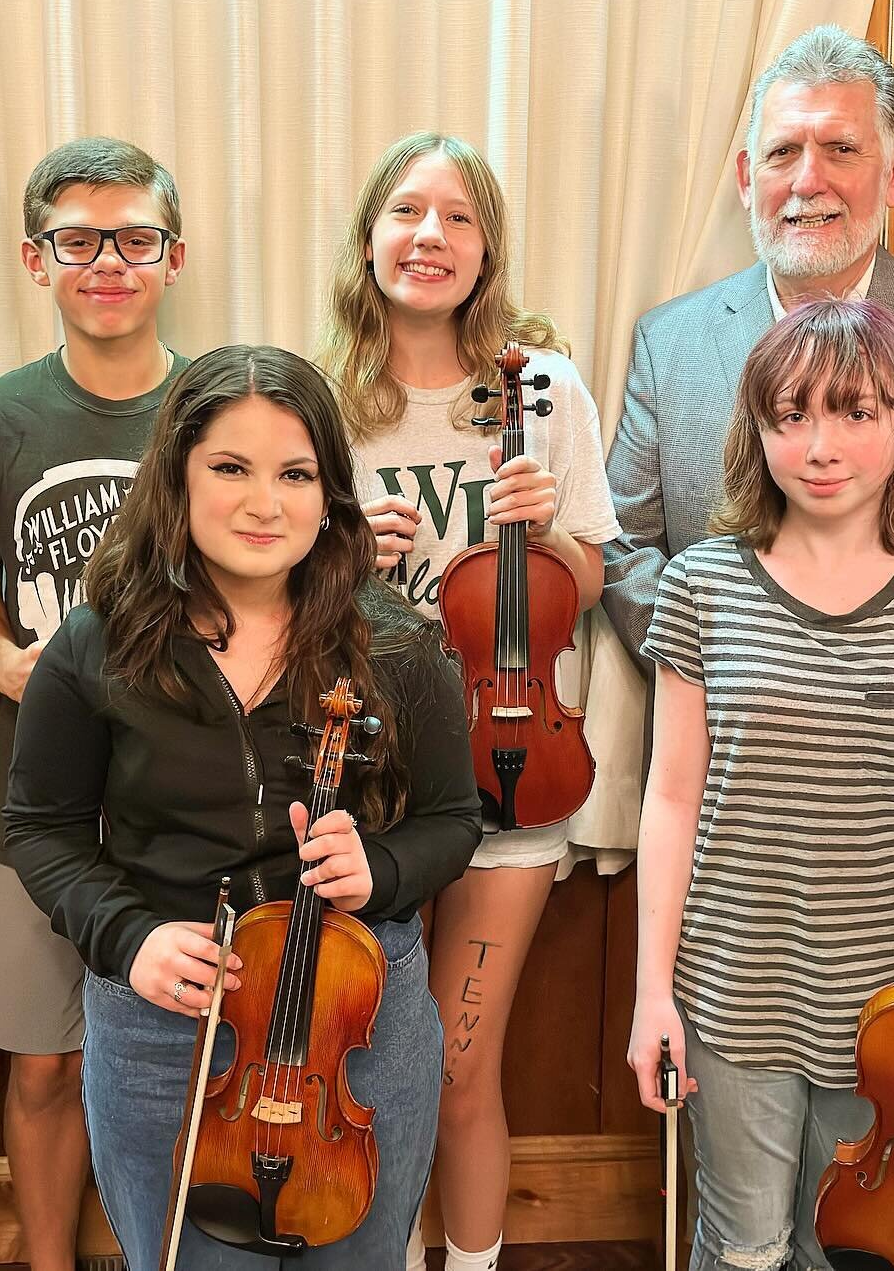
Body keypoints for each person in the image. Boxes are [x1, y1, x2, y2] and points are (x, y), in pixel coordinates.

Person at [4, 344, 483, 1270]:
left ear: (330, 493)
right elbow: (43, 830)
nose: (266, 504)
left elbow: (453, 820)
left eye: (295, 474)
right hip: (172, 1022)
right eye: (230, 468)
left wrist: (378, 869)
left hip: (358, 1021)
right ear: (175, 478)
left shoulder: (395, 642)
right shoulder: (97, 641)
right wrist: (128, 937)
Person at [627, 298, 894, 1271]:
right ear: (756, 431)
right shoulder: (701, 585)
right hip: (729, 987)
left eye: (856, 411)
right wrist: (651, 994)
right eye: (790, 414)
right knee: (744, 1247)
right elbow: (672, 798)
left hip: (888, 1006)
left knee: (841, 1246)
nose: (820, 443)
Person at [317, 132, 620, 1271]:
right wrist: (346, 564)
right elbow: (272, 586)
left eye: (456, 216)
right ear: (369, 239)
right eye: (406, 211)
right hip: (369, 774)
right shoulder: (326, 398)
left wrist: (547, 537)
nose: (429, 236)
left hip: (511, 759)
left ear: (487, 247)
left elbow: (591, 581)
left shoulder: (543, 389)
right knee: (371, 1065)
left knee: (455, 1066)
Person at [0, 136, 188, 1271]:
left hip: (180, 800)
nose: (107, 264)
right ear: (37, 260)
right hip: (40, 800)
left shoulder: (217, 403)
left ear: (171, 257)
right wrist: (8, 667)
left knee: (176, 1059)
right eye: (78, 241)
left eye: (133, 239)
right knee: (43, 1063)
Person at [604, 25, 894, 663]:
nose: (809, 180)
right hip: (709, 746)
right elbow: (621, 547)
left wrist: (850, 686)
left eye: (840, 149)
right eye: (783, 152)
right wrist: (722, 675)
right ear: (748, 179)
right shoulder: (668, 342)